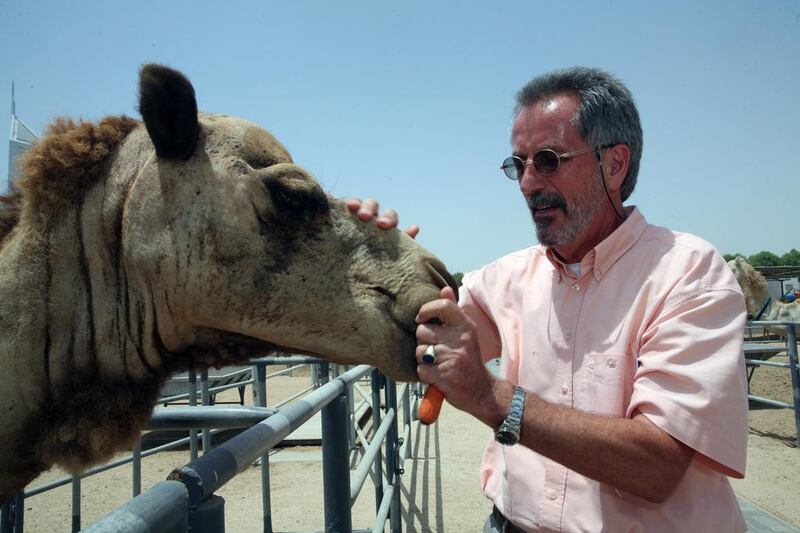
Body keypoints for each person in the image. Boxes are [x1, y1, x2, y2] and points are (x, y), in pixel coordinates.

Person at [349, 66, 748, 532]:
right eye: (518, 165)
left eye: (548, 160)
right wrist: (369, 258)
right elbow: (416, 333)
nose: (527, 183)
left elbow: (657, 465)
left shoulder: (689, 274)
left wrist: (491, 397)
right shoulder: (505, 279)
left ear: (614, 164)